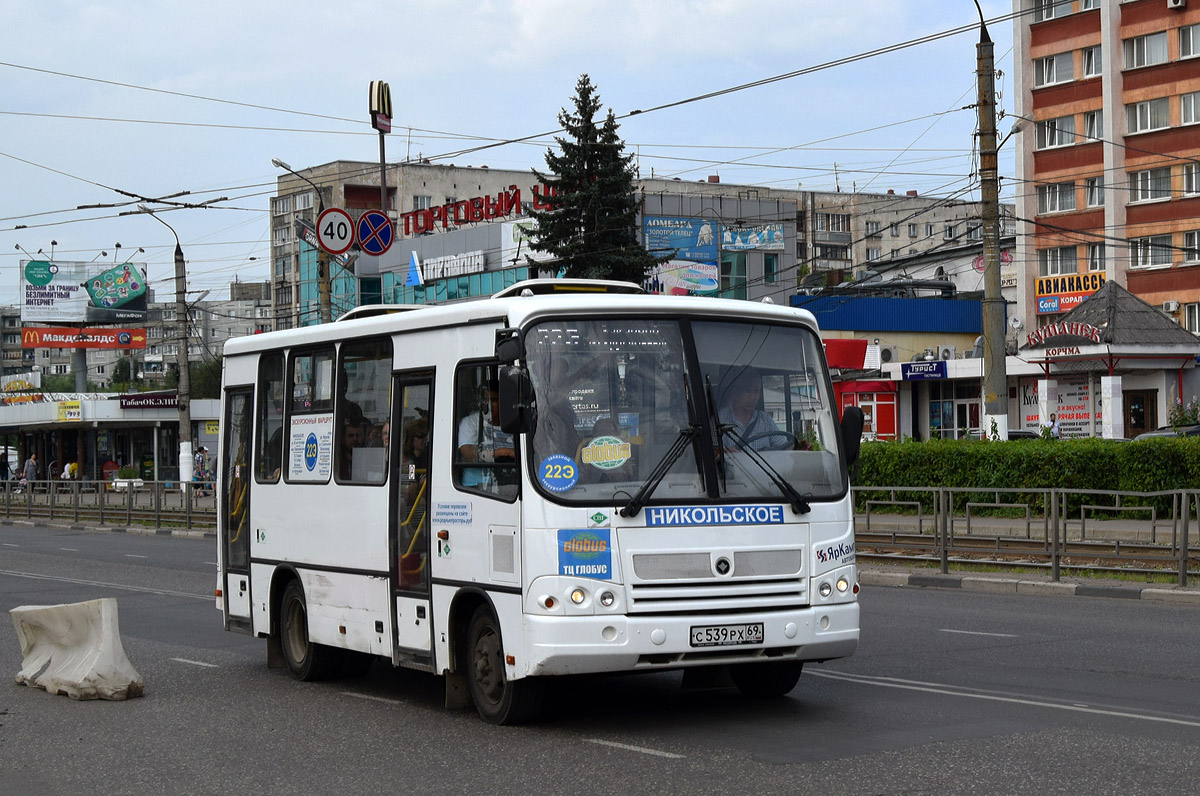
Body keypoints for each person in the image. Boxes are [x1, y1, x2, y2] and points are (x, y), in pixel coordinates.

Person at [457, 381, 514, 491]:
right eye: (485, 400)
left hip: (510, 482)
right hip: (477, 486)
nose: (488, 405)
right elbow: (470, 455)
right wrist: (506, 452)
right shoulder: (470, 422)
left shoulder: (513, 423)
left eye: (493, 400)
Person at [718, 368, 792, 451]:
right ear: (736, 392)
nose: (752, 397)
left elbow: (783, 446)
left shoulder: (765, 420)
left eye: (756, 391)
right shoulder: (720, 419)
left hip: (764, 464)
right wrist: (724, 452)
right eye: (747, 391)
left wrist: (798, 447)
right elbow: (710, 452)